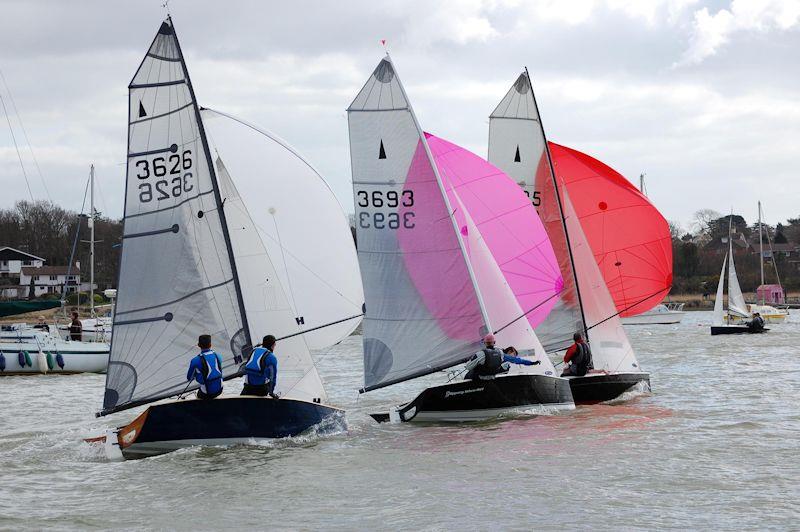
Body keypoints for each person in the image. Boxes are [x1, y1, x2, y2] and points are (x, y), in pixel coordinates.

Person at [464, 334, 539, 381]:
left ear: (484, 343)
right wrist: (532, 363)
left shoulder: (480, 354)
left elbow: (468, 367)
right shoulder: (501, 353)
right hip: (492, 378)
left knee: (472, 370)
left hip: (478, 378)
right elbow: (518, 360)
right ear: (494, 342)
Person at [186, 334, 224, 399]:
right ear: (210, 345)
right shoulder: (218, 356)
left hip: (206, 393)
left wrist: (196, 375)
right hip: (220, 389)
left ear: (198, 345)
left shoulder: (195, 360)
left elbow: (189, 377)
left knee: (200, 393)